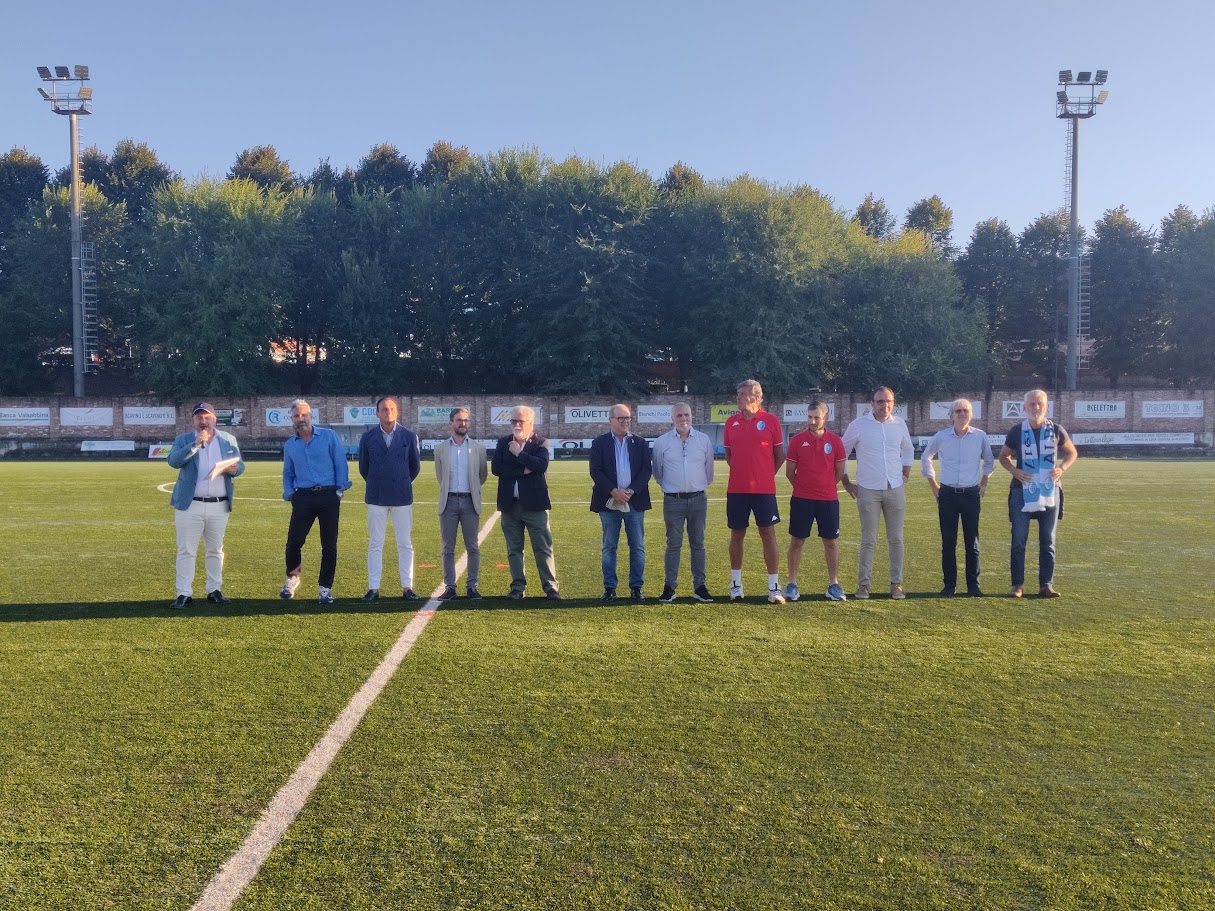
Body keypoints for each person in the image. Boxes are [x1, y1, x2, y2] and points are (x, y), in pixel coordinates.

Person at [998, 388, 1079, 598]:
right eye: (1032, 404)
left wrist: (1062, 468)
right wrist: (1014, 471)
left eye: (1039, 404)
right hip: (1021, 491)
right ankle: (1017, 585)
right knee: (1018, 540)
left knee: (1048, 541)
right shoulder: (1017, 431)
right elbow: (1003, 456)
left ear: (1046, 407)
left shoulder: (1056, 430)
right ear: (1024, 408)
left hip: (1050, 490)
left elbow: (1072, 453)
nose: (1036, 407)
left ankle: (1046, 585)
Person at [166, 402, 245, 609]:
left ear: (214, 419)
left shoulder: (228, 440)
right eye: (199, 417)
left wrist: (235, 469)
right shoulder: (183, 440)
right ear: (193, 421)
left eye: (207, 417)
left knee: (216, 550)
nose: (203, 421)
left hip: (219, 504)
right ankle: (183, 593)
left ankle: (214, 589)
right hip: (190, 504)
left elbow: (240, 465)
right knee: (186, 550)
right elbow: (173, 461)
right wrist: (194, 445)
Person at [841, 386, 914, 600]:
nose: (885, 405)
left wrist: (906, 472)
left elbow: (908, 449)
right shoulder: (858, 425)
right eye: (880, 401)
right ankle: (863, 585)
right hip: (868, 490)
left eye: (888, 401)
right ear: (872, 403)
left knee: (896, 539)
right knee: (869, 539)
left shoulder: (899, 424)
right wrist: (846, 482)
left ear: (893, 402)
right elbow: (841, 453)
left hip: (895, 488)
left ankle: (896, 584)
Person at [921, 398, 995, 597]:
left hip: (971, 494)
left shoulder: (980, 436)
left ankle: (973, 586)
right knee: (948, 542)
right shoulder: (941, 437)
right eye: (958, 411)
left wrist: (984, 481)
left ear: (971, 415)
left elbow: (989, 460)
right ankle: (949, 585)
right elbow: (926, 457)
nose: (962, 414)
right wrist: (933, 485)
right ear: (951, 415)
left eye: (966, 411)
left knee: (972, 542)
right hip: (947, 495)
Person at [280, 399, 352, 603]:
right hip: (303, 497)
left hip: (328, 496)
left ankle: (325, 589)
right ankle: (293, 578)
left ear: (311, 416)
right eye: (296, 416)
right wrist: (290, 494)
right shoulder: (290, 445)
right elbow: (288, 473)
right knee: (294, 542)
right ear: (292, 419)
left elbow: (340, 463)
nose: (300, 418)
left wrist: (339, 491)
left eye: (304, 414)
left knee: (329, 545)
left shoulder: (328, 437)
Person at [723, 379, 786, 603]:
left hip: (764, 490)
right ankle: (736, 585)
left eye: (743, 394)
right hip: (737, 490)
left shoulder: (771, 421)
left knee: (768, 534)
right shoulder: (731, 422)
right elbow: (730, 456)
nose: (738, 397)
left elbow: (779, 457)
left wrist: (764, 475)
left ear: (757, 398)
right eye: (738, 393)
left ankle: (774, 587)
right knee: (736, 534)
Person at [491, 405, 560, 600]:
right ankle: (517, 587)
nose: (517, 424)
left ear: (531, 423)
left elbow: (541, 465)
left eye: (520, 421)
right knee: (514, 549)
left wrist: (518, 454)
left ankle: (550, 587)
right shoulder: (503, 442)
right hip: (510, 505)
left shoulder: (541, 442)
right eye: (514, 421)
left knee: (543, 548)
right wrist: (523, 470)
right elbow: (496, 469)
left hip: (535, 505)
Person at [357, 395, 421, 602]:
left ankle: (407, 586)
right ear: (377, 413)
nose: (388, 412)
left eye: (392, 409)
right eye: (384, 409)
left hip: (402, 496)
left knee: (405, 543)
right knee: (376, 543)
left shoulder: (409, 436)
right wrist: (378, 482)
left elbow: (415, 467)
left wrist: (400, 481)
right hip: (376, 497)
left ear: (397, 412)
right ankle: (373, 588)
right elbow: (364, 468)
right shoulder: (367, 438)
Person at [783, 400, 847, 603]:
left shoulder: (835, 441)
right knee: (797, 541)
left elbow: (839, 472)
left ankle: (833, 584)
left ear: (825, 418)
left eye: (816, 417)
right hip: (802, 500)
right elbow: (790, 472)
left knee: (830, 542)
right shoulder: (797, 441)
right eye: (809, 417)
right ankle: (792, 584)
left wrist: (825, 487)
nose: (811, 421)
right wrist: (804, 488)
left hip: (828, 500)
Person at [651, 402, 715, 603]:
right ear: (672, 418)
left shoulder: (703, 440)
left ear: (691, 416)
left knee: (698, 544)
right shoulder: (662, 442)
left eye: (686, 414)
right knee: (673, 545)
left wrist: (695, 486)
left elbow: (709, 471)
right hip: (673, 501)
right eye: (679, 415)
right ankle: (669, 587)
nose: (683, 418)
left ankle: (700, 586)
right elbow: (658, 472)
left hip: (698, 499)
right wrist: (674, 487)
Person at [589, 404, 653, 601]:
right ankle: (610, 588)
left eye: (627, 418)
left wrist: (631, 491)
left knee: (637, 546)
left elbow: (646, 471)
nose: (625, 421)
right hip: (609, 502)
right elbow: (595, 471)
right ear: (611, 420)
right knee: (609, 546)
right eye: (621, 418)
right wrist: (613, 491)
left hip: (635, 501)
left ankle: (636, 588)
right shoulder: (599, 443)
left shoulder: (640, 443)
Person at [433, 407, 488, 601]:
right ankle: (450, 587)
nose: (462, 423)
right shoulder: (440, 449)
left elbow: (482, 475)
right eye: (458, 420)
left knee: (472, 546)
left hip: (470, 502)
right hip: (448, 502)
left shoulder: (479, 448)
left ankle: (472, 587)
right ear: (451, 423)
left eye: (465, 420)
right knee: (448, 547)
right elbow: (440, 476)